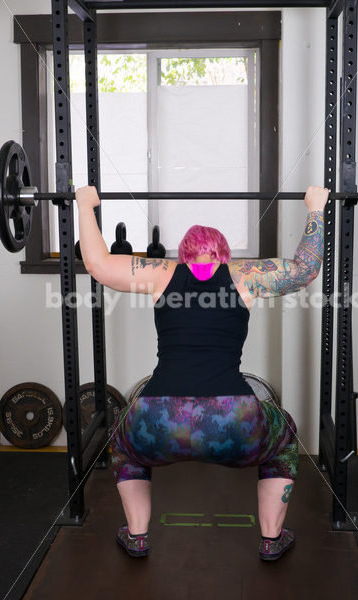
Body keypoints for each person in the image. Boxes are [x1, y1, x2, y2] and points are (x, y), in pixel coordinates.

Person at [76, 186, 328, 561]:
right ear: (223, 255)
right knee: (285, 435)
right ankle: (271, 539)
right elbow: (306, 269)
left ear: (184, 254)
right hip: (233, 421)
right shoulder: (244, 275)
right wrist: (315, 208)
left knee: (122, 440)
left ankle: (138, 535)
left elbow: (97, 265)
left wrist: (85, 203)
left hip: (157, 421)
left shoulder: (162, 274)